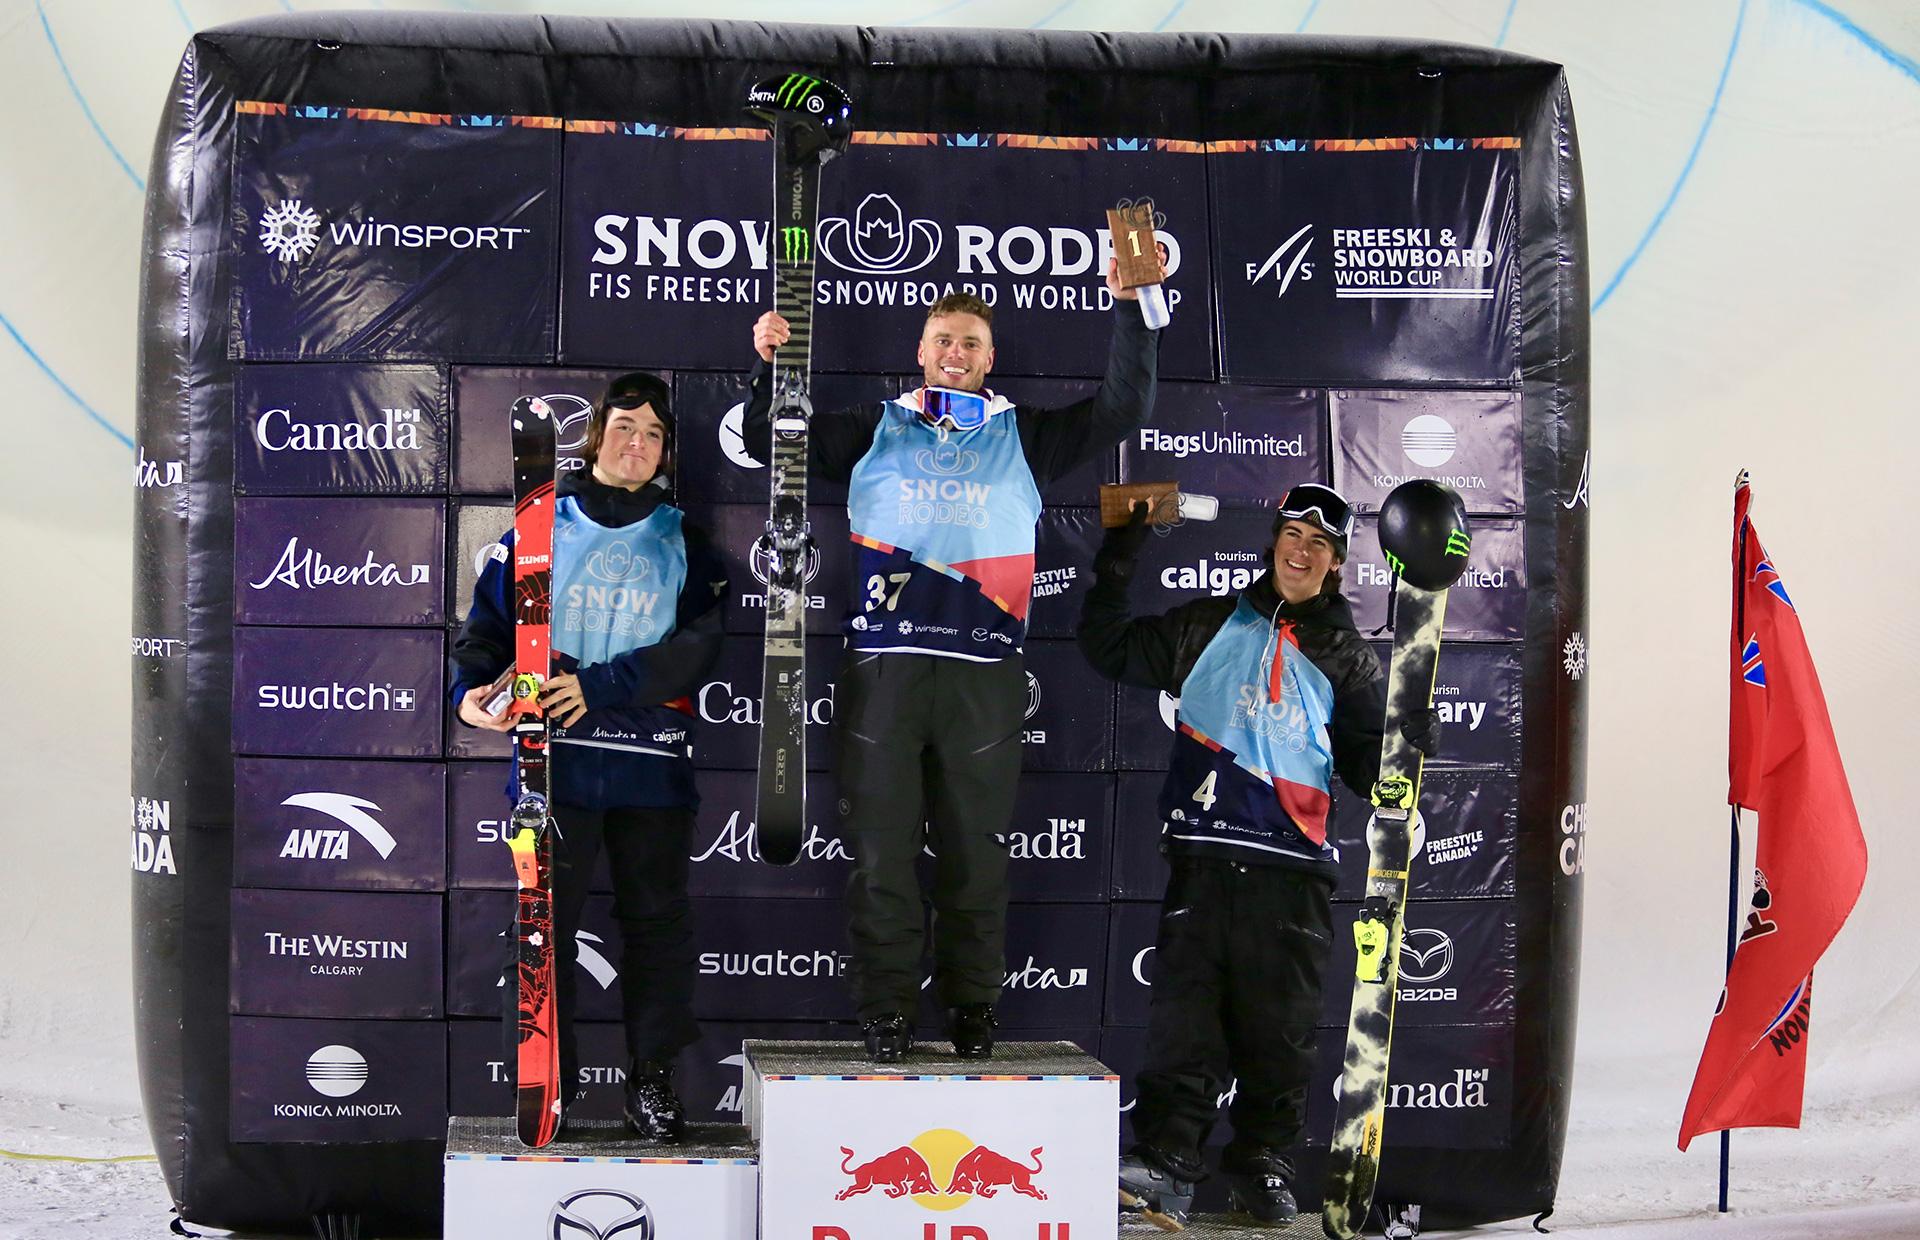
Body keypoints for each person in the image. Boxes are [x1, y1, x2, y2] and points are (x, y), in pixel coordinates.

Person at [745, 260, 1161, 1062]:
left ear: (990, 357)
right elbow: (778, 443)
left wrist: (1132, 308)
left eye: (972, 341)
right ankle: (887, 1010)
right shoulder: (878, 424)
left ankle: (973, 1005)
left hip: (983, 673)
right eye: (945, 340)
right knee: (881, 854)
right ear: (922, 350)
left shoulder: (1024, 434)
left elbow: (1124, 407)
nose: (957, 352)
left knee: (977, 853)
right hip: (885, 670)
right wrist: (767, 370)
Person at [1078, 483, 1438, 1225]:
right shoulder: (1207, 623)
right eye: (1293, 536)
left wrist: (1410, 737)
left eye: (1320, 545)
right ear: (1273, 540)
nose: (1301, 553)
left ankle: (1263, 1166)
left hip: (1291, 870)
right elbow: (1108, 647)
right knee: (1186, 1026)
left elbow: (1376, 774)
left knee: (1279, 1034)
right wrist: (1120, 555)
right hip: (1203, 863)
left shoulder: (1349, 657)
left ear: (1335, 565)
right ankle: (1165, 1163)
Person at [450, 372, 728, 1141]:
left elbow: (697, 652)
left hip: (651, 771)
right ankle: (550, 1085)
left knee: (657, 932)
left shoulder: (687, 540)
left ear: (666, 450)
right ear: (597, 433)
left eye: (652, 435)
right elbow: (485, 631)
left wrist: (601, 685)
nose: (636, 445)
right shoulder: (539, 525)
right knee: (541, 929)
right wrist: (470, 694)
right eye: (623, 429)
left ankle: (653, 1085)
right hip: (554, 770)